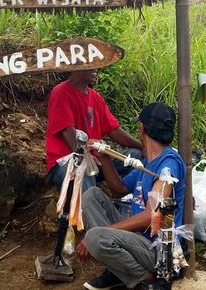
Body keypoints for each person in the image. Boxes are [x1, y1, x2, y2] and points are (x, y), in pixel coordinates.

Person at [78, 102, 186, 290]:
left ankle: (144, 279)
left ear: (142, 128)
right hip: (139, 240)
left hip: (160, 251)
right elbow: (119, 190)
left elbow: (150, 217)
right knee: (92, 196)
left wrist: (106, 232)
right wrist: (105, 157)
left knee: (95, 237)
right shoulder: (147, 162)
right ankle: (119, 270)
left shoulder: (168, 164)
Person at [46, 69, 141, 190]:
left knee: (135, 155)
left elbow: (114, 131)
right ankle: (89, 206)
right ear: (77, 67)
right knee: (83, 166)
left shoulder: (95, 97)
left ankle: (123, 195)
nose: (96, 69)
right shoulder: (61, 92)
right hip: (65, 164)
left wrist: (142, 146)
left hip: (95, 162)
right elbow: (68, 133)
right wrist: (87, 157)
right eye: (91, 66)